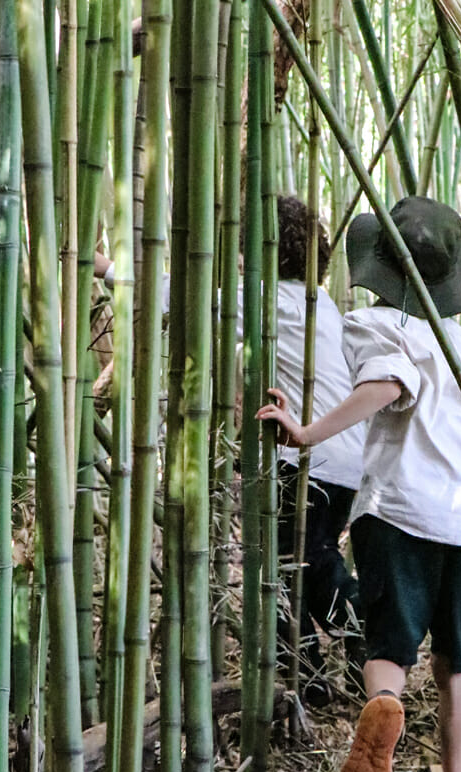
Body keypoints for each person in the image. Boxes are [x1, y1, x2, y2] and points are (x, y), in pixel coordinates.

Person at [256, 196, 461, 772]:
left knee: (388, 649)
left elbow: (386, 385)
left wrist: (306, 430)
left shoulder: (379, 327)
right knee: (459, 666)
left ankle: (384, 705)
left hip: (399, 512)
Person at [97, 196, 367, 706]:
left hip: (308, 457)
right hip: (346, 455)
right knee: (290, 563)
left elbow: (180, 293)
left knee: (302, 561)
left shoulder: (263, 298)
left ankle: (364, 636)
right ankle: (307, 676)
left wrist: (107, 269)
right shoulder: (318, 303)